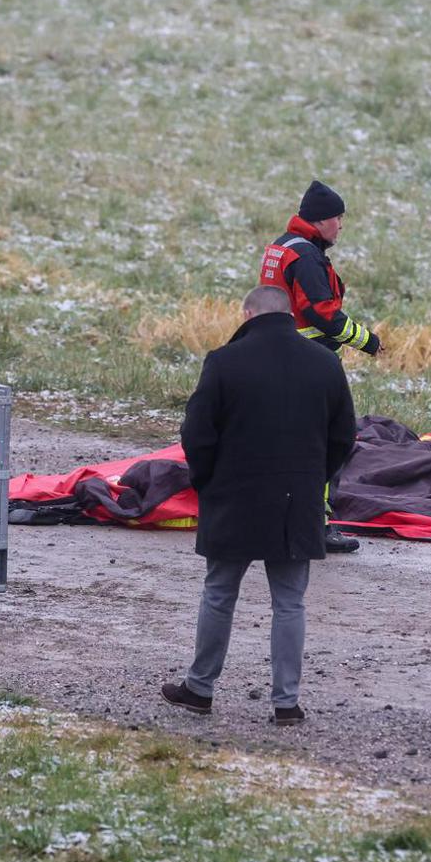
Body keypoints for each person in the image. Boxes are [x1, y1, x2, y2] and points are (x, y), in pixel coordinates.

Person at [162, 285, 357, 727]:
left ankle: (199, 690)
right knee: (290, 603)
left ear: (249, 314)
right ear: (289, 315)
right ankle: (286, 703)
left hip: (233, 497)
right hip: (297, 502)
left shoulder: (224, 362)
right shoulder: (325, 362)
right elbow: (344, 435)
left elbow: (197, 434)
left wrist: (208, 482)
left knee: (219, 594)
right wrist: (313, 480)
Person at [258, 179, 380, 554]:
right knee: (327, 443)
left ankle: (275, 518)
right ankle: (318, 525)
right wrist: (367, 341)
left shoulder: (282, 246)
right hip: (308, 365)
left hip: (274, 356)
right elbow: (320, 312)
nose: (341, 226)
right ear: (322, 220)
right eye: (338, 218)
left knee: (282, 444)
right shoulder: (307, 257)